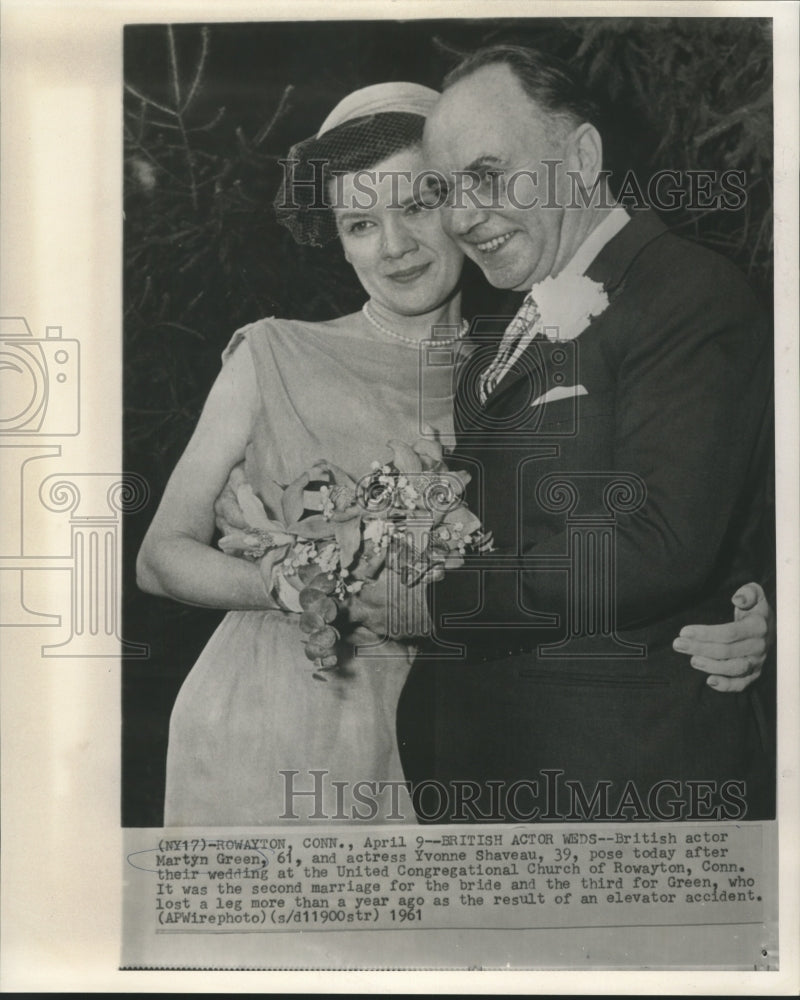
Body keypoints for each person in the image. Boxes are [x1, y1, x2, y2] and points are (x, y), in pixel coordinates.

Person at [137, 81, 771, 827]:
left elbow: (645, 510)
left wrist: (740, 607)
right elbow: (160, 557)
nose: (394, 246)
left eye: (416, 205)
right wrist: (305, 588)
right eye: (360, 224)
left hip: (456, 736)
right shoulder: (274, 352)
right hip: (280, 712)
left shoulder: (518, 355)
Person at [385, 46, 776, 822]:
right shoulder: (506, 326)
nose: (461, 217)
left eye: (488, 175)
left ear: (582, 159)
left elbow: (657, 541)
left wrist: (432, 603)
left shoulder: (686, 292)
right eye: (445, 189)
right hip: (493, 781)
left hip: (617, 787)